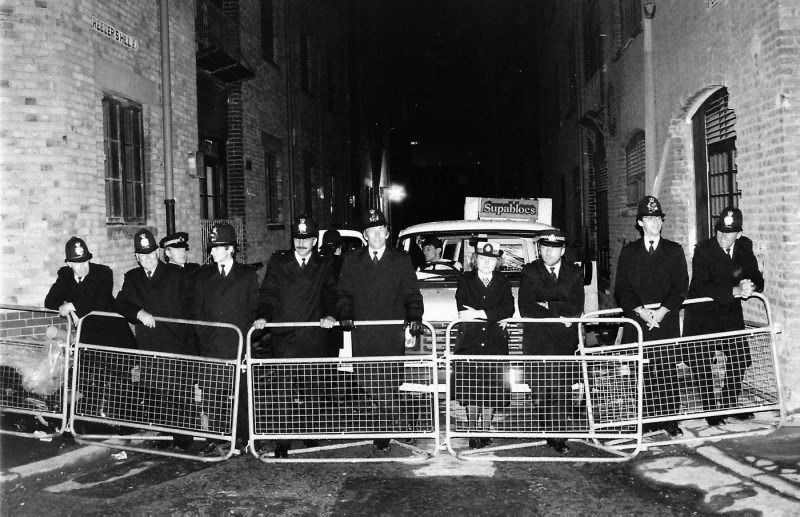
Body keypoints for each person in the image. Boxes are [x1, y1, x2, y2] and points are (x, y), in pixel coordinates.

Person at [336, 208, 424, 451]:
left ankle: (384, 430)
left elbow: (412, 295)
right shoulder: (352, 260)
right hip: (363, 333)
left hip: (390, 332)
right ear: (365, 235)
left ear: (387, 232)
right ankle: (407, 416)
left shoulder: (400, 260)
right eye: (371, 231)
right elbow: (343, 293)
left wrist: (415, 315)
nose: (376, 235)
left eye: (380, 230)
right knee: (366, 382)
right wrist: (344, 313)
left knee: (387, 382)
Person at [254, 215, 337, 458]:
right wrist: (263, 316)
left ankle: (310, 433)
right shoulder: (279, 262)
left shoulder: (324, 263)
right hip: (285, 335)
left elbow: (330, 293)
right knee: (283, 389)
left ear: (314, 240)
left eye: (306, 239)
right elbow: (268, 293)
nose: (300, 244)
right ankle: (283, 439)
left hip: (313, 335)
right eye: (297, 239)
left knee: (313, 387)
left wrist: (330, 315)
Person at [615, 195, 689, 437]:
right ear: (640, 223)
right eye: (649, 218)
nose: (654, 223)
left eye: (658, 218)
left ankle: (670, 421)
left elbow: (680, 286)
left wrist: (662, 310)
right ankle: (645, 420)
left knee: (667, 372)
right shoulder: (629, 253)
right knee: (642, 373)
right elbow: (622, 288)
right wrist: (641, 310)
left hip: (664, 321)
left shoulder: (674, 251)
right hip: (639, 322)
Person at [683, 207, 764, 425]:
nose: (721, 236)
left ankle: (729, 404)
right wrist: (735, 290)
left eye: (728, 233)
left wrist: (750, 284)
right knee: (702, 363)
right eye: (719, 231)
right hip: (703, 314)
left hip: (728, 314)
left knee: (740, 358)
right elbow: (703, 285)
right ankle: (711, 411)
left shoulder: (745, 247)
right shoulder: (703, 250)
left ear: (738, 233)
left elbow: (756, 277)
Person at [115, 229, 195, 449]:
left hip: (175, 343)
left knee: (179, 393)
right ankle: (166, 434)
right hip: (150, 345)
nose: (148, 259)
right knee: (159, 392)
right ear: (137, 257)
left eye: (152, 254)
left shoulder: (175, 274)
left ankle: (183, 438)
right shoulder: (132, 277)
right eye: (143, 255)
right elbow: (121, 303)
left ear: (158, 253)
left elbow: (190, 308)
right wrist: (138, 312)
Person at [193, 222, 259, 454]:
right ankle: (216, 437)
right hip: (212, 346)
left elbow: (253, 311)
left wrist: (243, 344)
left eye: (217, 247)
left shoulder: (247, 276)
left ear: (230, 249)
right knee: (213, 394)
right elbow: (198, 312)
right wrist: (207, 337)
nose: (211, 252)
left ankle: (246, 437)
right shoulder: (202, 276)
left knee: (241, 394)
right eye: (211, 248)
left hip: (237, 346)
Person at [518, 230, 584, 453]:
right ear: (539, 249)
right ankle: (548, 430)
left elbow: (575, 307)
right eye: (544, 248)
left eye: (554, 248)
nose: (548, 252)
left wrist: (546, 304)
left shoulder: (575, 273)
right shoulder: (529, 271)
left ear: (562, 250)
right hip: (537, 342)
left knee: (561, 389)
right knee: (540, 390)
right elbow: (526, 307)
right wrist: (558, 314)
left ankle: (559, 435)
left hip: (563, 343)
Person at [453, 242, 515, 449]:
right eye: (482, 258)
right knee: (472, 388)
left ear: (496, 262)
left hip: (494, 341)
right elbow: (463, 308)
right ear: (475, 260)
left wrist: (480, 313)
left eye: (491, 259)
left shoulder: (503, 281)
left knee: (491, 388)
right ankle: (472, 431)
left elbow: (509, 309)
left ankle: (485, 430)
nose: (486, 262)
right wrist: (494, 314)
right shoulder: (465, 279)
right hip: (470, 341)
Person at [45, 236, 137, 349]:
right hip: (88, 336)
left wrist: (72, 306)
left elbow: (101, 300)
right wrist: (69, 308)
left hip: (114, 333)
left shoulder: (103, 273)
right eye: (78, 263)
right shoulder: (65, 276)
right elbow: (49, 301)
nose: (83, 267)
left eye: (85, 261)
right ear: (69, 264)